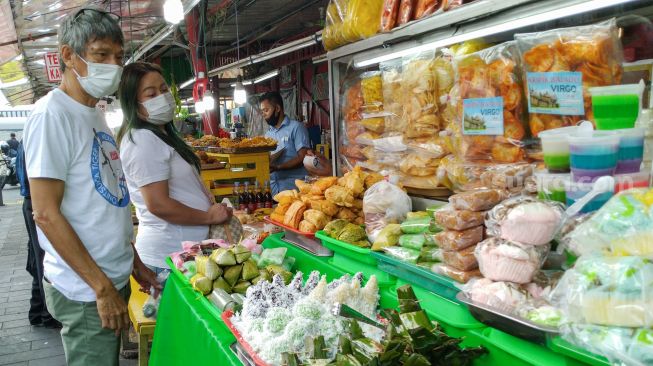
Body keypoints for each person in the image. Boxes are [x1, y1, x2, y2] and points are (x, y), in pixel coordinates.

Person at [22, 7, 160, 366]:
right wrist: (100, 288)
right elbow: (46, 214)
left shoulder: (94, 113)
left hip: (107, 274)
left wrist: (132, 260)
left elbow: (104, 198)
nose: (113, 65)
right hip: (86, 289)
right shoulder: (51, 116)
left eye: (119, 56)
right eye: (101, 55)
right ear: (68, 55)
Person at [117, 62, 233, 275]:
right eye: (151, 95)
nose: (162, 97)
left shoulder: (161, 137)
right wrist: (208, 217)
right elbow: (159, 205)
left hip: (184, 251)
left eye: (163, 90)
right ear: (133, 104)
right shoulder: (142, 140)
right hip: (168, 256)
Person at [15, 141, 61, 329]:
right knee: (44, 258)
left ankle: (37, 311)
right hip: (36, 203)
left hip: (32, 203)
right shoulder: (37, 137)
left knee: (37, 256)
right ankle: (48, 313)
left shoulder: (26, 139)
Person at [261, 91, 311, 195]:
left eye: (266, 110)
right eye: (262, 111)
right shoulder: (268, 134)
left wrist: (279, 167)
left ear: (277, 109)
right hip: (274, 190)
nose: (264, 115)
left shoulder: (296, 127)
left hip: (294, 189)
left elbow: (303, 157)